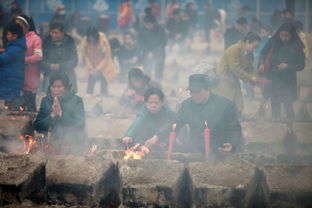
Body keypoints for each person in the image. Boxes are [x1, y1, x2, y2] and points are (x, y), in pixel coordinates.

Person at [156, 74, 244, 158]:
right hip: (197, 150)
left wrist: (232, 144)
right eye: (191, 91)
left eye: (197, 91)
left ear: (208, 89)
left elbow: (234, 128)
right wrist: (157, 136)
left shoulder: (225, 104)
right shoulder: (187, 105)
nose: (194, 95)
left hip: (221, 150)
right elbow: (176, 122)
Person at [258, 23, 305, 120]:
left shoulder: (297, 45)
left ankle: (291, 126)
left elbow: (301, 65)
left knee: (288, 104)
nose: (284, 38)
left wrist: (287, 67)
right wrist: (261, 63)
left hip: (288, 79)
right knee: (275, 102)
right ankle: (276, 123)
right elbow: (263, 52)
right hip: (274, 76)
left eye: (286, 36)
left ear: (291, 35)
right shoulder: (274, 40)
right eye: (282, 35)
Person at [34, 71, 86, 155]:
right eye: (53, 86)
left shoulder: (77, 101)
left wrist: (61, 114)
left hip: (72, 146)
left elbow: (80, 124)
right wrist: (52, 115)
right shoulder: (46, 101)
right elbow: (37, 126)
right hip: (51, 146)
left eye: (59, 86)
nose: (56, 90)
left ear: (66, 87)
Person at [214, 32, 261, 114]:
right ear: (247, 42)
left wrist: (253, 77)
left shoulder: (249, 53)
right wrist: (250, 78)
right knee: (225, 101)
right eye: (254, 47)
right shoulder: (234, 49)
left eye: (256, 48)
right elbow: (235, 68)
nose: (255, 50)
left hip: (234, 78)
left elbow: (250, 67)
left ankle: (236, 116)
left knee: (238, 102)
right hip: (224, 78)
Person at [15, 15, 42, 112]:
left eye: (19, 26)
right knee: (20, 107)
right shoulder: (19, 38)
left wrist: (24, 60)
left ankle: (33, 125)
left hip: (31, 77)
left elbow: (38, 56)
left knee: (30, 106)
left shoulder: (35, 38)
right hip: (20, 78)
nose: (17, 28)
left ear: (26, 26)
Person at [41, 22, 78, 92]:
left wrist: (60, 66)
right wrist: (49, 65)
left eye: (56, 33)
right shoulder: (46, 42)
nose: (53, 35)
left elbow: (74, 61)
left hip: (67, 74)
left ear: (62, 33)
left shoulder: (70, 42)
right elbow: (41, 60)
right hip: (50, 74)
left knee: (69, 99)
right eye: (52, 32)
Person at [81, 26, 117, 96]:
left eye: (92, 38)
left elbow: (107, 56)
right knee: (91, 76)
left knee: (104, 77)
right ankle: (89, 92)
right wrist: (91, 68)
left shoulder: (103, 39)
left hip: (104, 63)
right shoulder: (85, 40)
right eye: (89, 37)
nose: (91, 39)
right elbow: (85, 56)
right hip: (92, 63)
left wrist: (98, 68)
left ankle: (103, 92)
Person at [0, 23, 26, 110]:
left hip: (11, 83)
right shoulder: (14, 47)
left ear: (15, 36)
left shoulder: (15, 49)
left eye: (8, 34)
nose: (6, 36)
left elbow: (2, 59)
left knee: (12, 106)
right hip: (10, 81)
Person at [138, 15, 166, 80]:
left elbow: (163, 43)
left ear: (154, 23)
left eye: (150, 24)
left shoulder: (160, 30)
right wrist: (146, 52)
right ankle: (147, 80)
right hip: (146, 52)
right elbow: (140, 43)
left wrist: (154, 52)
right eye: (146, 24)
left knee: (159, 67)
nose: (148, 26)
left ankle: (158, 80)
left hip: (159, 52)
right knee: (147, 68)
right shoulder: (142, 30)